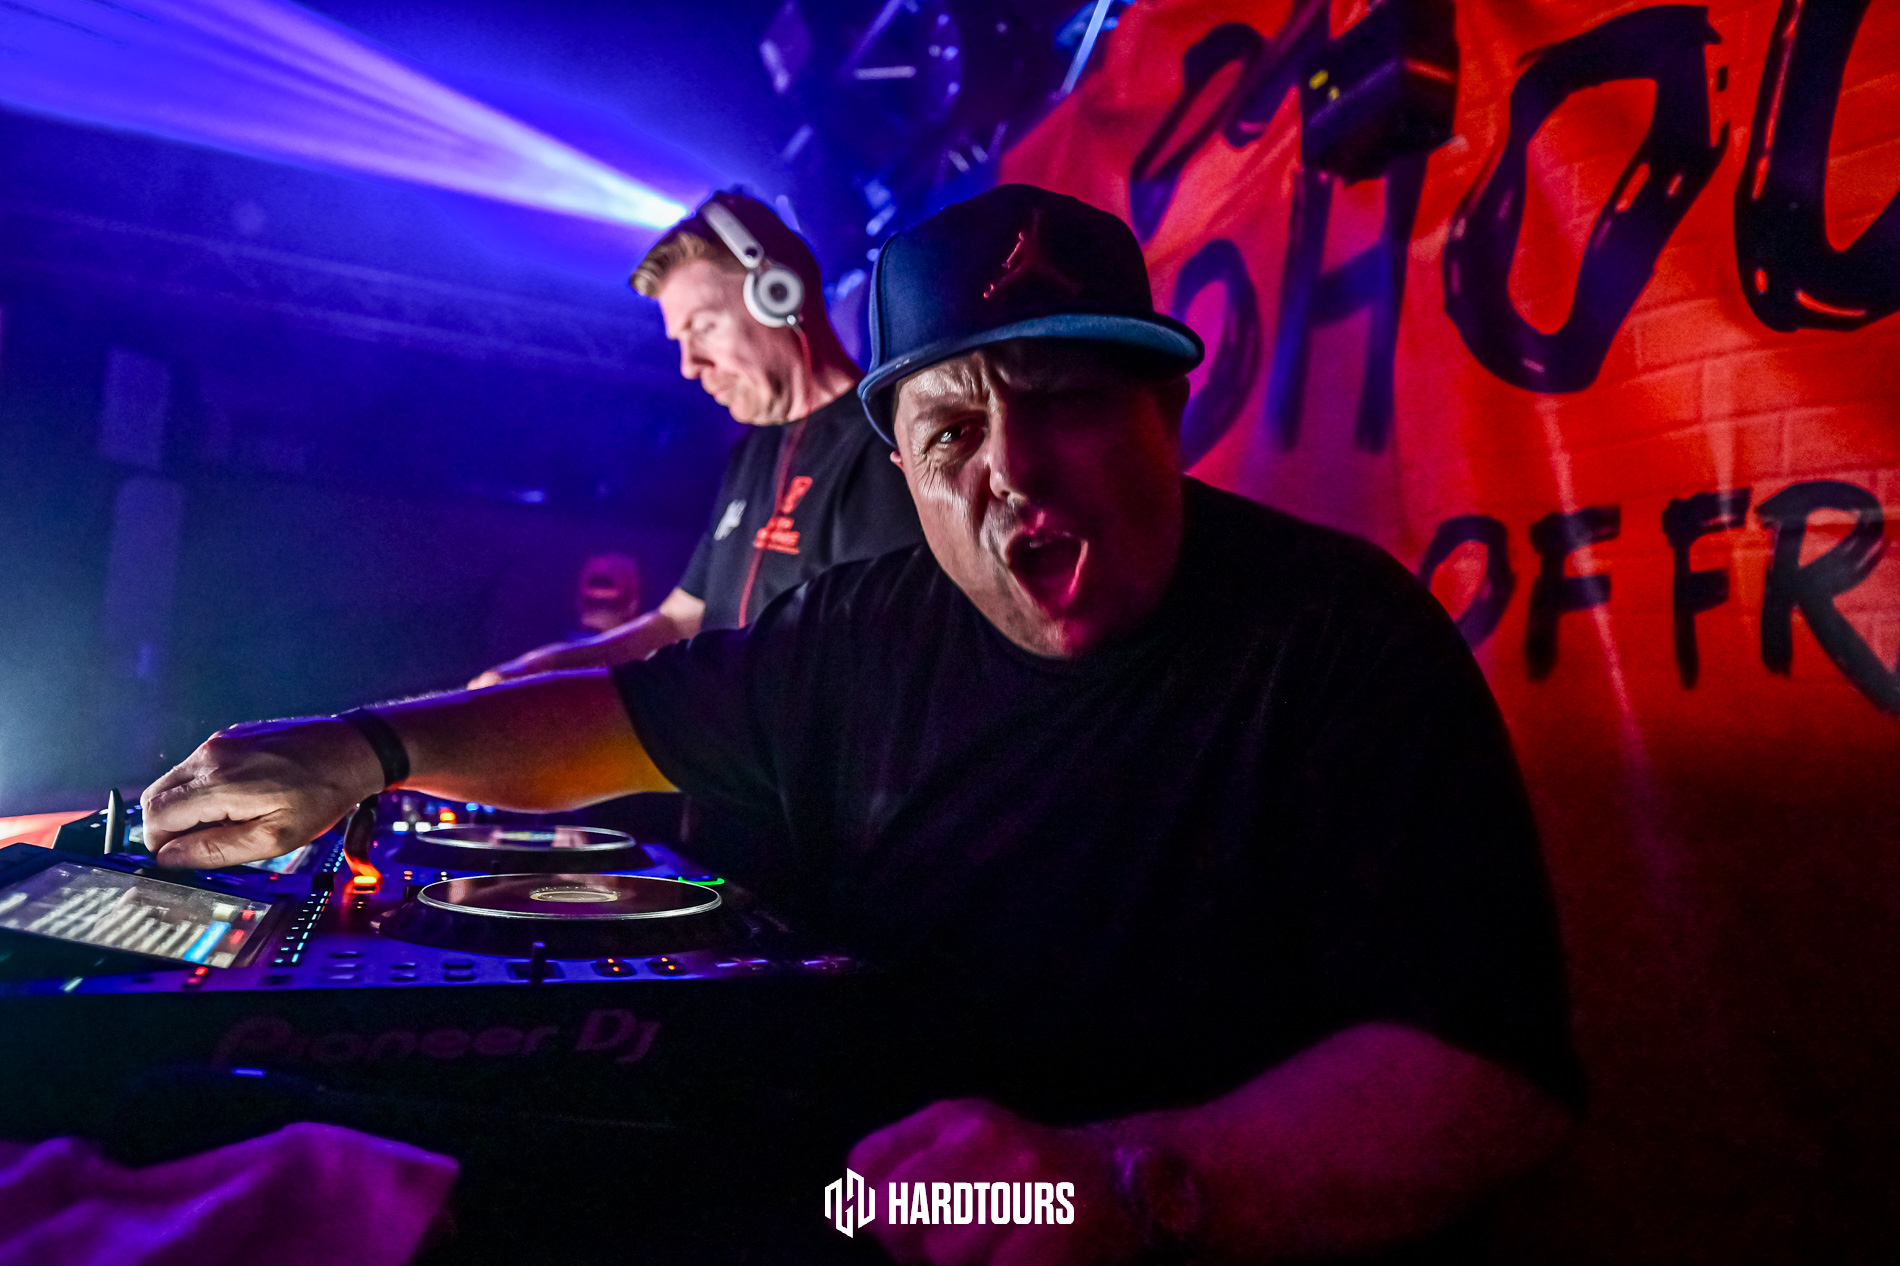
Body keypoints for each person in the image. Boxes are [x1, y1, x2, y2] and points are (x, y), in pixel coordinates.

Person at [145, 185, 1581, 1264]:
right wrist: (364, 752)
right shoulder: (866, 622)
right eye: (954, 433)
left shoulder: (1341, 638)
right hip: (851, 1191)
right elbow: (624, 715)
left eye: (1068, 404)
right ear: (903, 464)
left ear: (1167, 409)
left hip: (1096, 1216)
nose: (1015, 471)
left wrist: (1122, 1180)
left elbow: (1489, 1085)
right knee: (245, 1142)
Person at [469, 192, 921, 688]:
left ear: (778, 295)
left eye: (703, 327)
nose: (689, 365)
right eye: (680, 341)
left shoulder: (884, 443)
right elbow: (681, 619)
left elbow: (871, 654)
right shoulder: (751, 454)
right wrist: (541, 673)